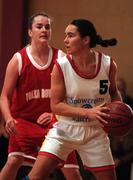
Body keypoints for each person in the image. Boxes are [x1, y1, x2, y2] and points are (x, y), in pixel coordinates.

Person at [26, 18, 122, 180]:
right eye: (65, 36)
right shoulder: (61, 66)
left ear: (85, 40)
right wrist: (88, 112)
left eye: (70, 36)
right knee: (35, 177)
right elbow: (56, 106)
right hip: (65, 128)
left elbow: (114, 92)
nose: (65, 40)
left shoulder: (108, 64)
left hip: (95, 132)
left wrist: (118, 113)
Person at [0, 12, 81, 180]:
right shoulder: (18, 59)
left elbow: (74, 96)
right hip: (23, 122)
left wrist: (55, 114)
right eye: (39, 26)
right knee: (14, 159)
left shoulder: (62, 59)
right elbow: (4, 96)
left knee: (72, 171)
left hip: (54, 123)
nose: (44, 30)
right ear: (30, 32)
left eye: (47, 27)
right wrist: (8, 118)